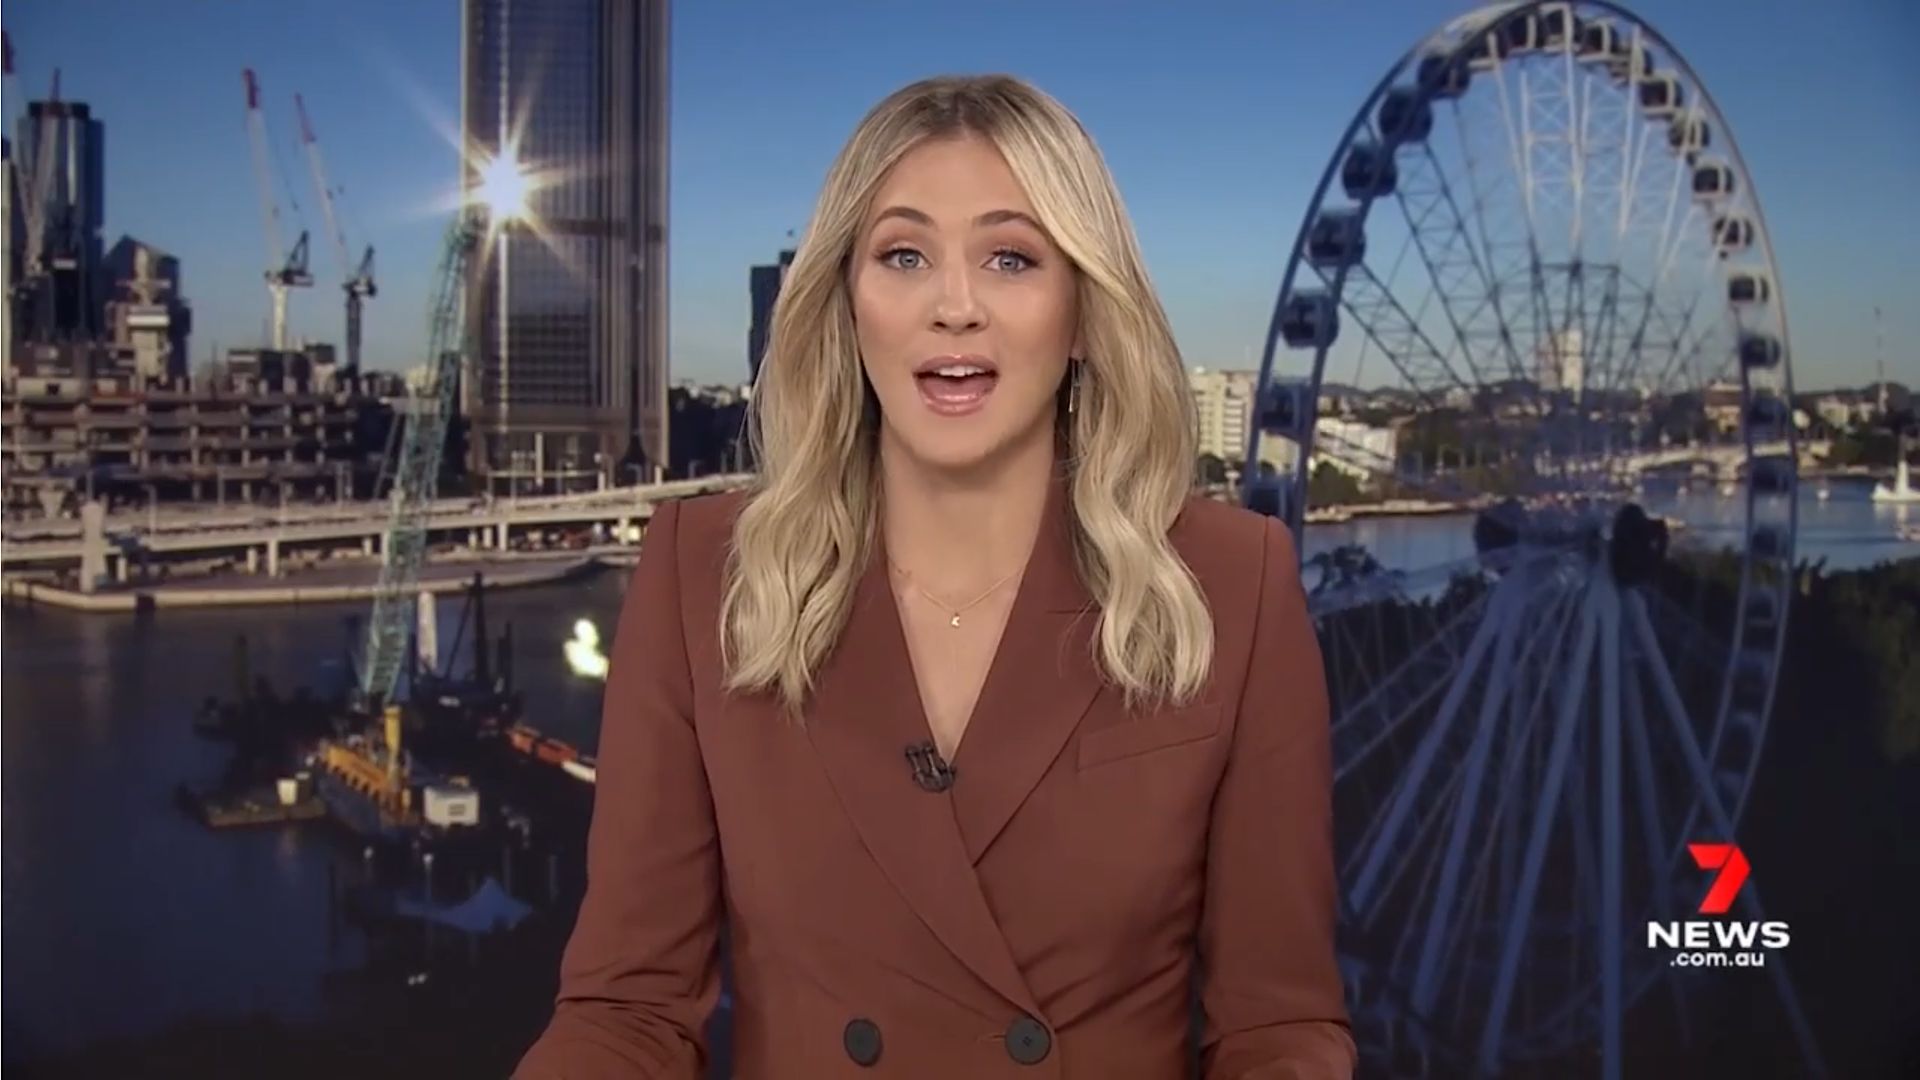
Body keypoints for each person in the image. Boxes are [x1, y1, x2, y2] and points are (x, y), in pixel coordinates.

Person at [515, 73, 1353, 1079]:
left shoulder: (1232, 582)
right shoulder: (701, 575)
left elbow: (1276, 1029)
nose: (955, 308)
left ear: (1084, 313)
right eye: (904, 256)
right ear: (845, 301)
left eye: (1011, 258)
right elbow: (629, 1012)